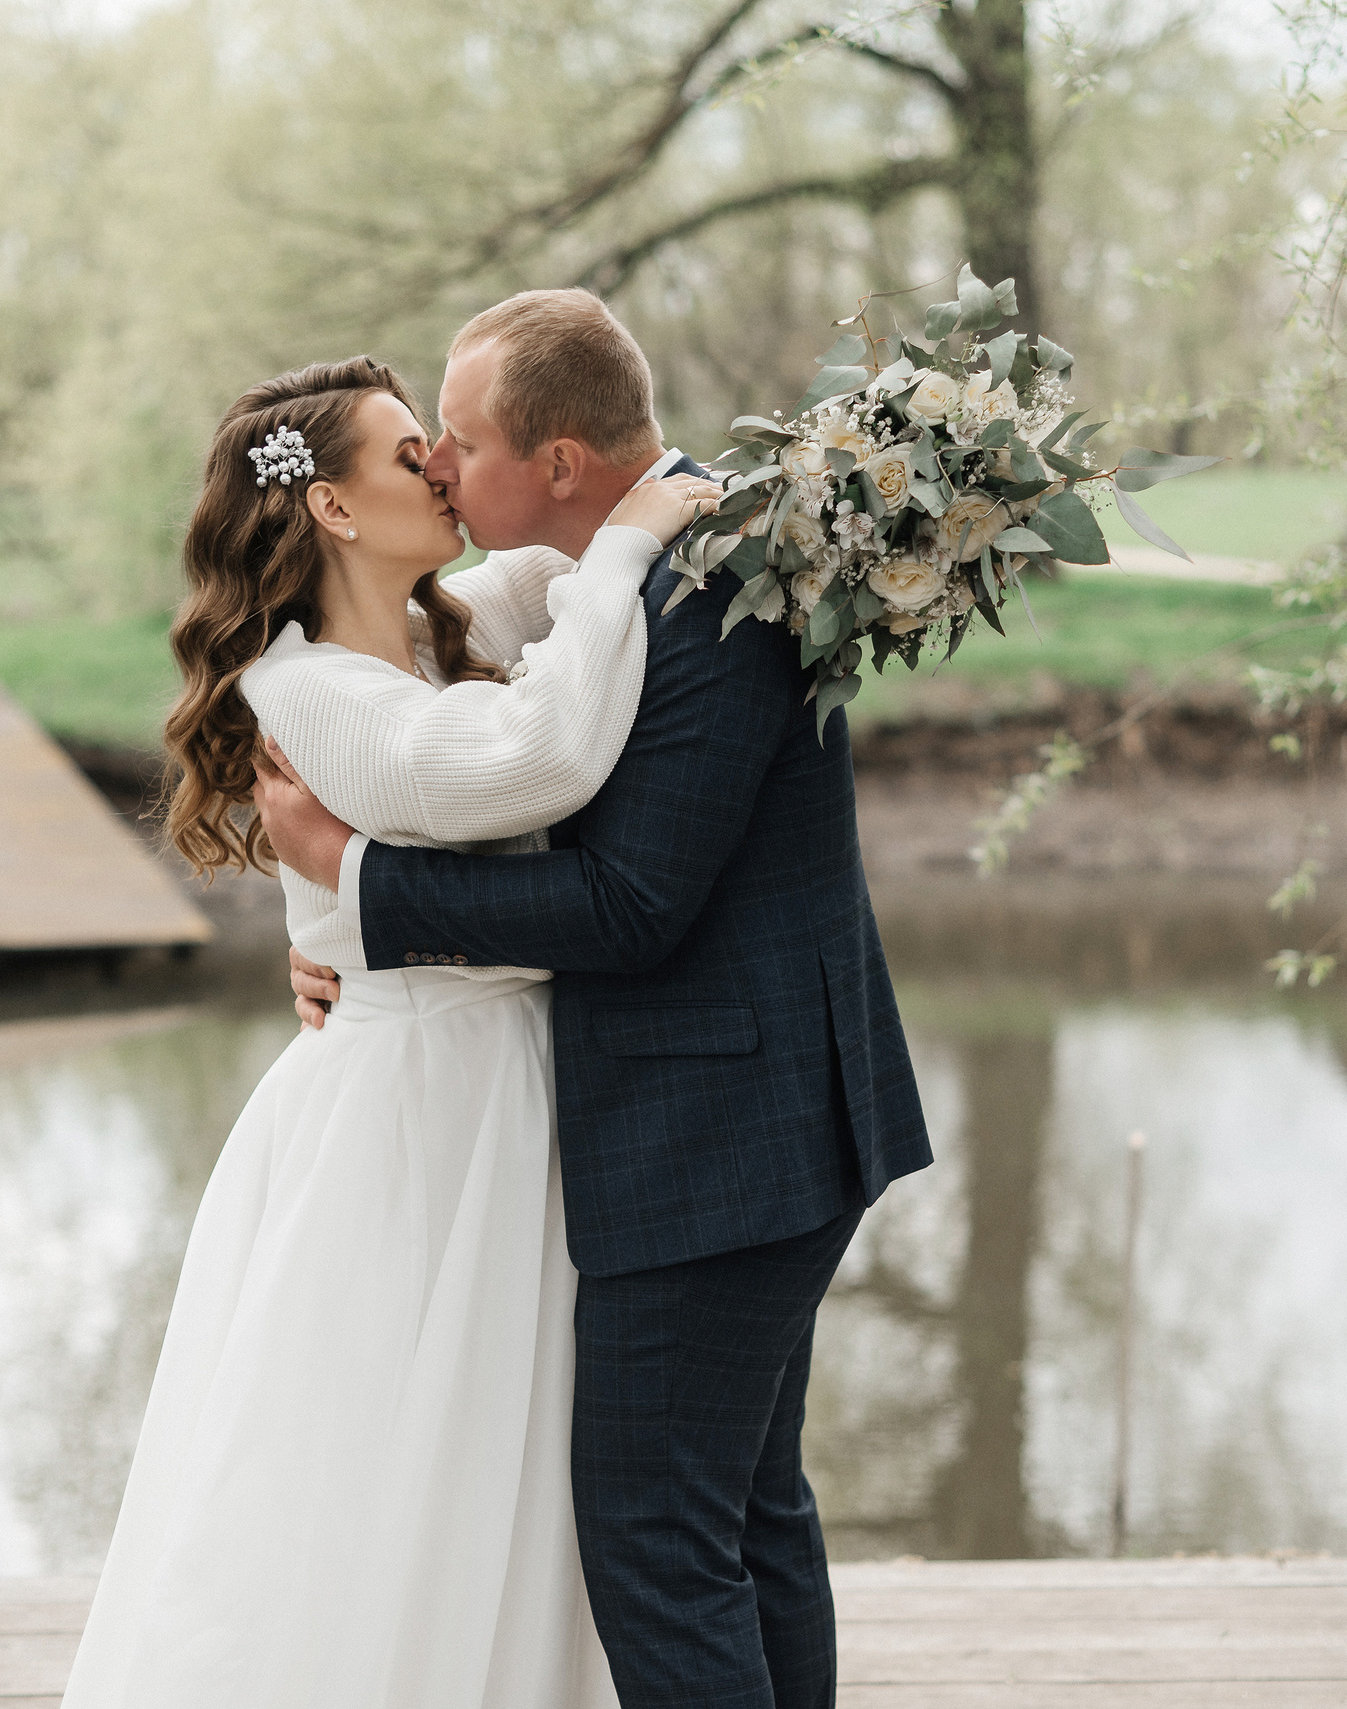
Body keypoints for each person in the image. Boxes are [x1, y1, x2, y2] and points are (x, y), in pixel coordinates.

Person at [255, 290, 930, 1709]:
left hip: (723, 1139)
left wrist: (360, 889)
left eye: (460, 436)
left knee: (657, 1539)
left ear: (558, 463)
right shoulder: (628, 583)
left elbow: (627, 906)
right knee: (744, 1516)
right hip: (750, 1117)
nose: (440, 462)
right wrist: (330, 920)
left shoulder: (699, 594)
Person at [58, 346, 717, 1709]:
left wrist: (627, 499)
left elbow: (551, 560)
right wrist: (627, 550)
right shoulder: (306, 699)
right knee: (389, 1468)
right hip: (417, 1122)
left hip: (509, 1095)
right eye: (413, 446)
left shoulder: (430, 628)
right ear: (336, 511)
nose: (442, 464)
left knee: (514, 1476)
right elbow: (537, 756)